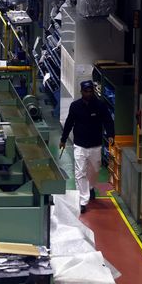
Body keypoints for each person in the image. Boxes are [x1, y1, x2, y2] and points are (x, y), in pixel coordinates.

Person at [60, 80, 115, 213]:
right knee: (80, 172)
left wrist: (111, 134)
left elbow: (108, 120)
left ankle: (90, 187)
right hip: (79, 145)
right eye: (86, 91)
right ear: (81, 92)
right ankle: (83, 200)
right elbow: (69, 123)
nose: (88, 93)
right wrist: (63, 139)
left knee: (94, 170)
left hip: (95, 145)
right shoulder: (75, 106)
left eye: (90, 91)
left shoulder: (100, 106)